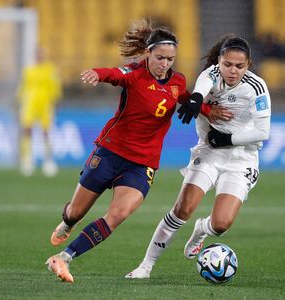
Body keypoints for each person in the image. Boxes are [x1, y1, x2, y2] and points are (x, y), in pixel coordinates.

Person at [44, 19, 226, 283]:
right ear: (148, 53)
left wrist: (209, 110)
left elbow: (184, 98)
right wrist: (97, 73)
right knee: (76, 211)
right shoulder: (134, 74)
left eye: (170, 59)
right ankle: (68, 223)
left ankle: (63, 258)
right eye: (160, 57)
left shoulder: (177, 81)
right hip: (110, 152)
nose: (165, 63)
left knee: (118, 214)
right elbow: (113, 74)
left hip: (142, 164)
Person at [126, 35, 271, 279]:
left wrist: (226, 139)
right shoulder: (211, 75)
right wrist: (195, 100)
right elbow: (201, 89)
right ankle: (146, 266)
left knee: (221, 224)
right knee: (182, 209)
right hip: (209, 152)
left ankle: (202, 229)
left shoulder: (256, 87)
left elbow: (262, 132)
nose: (232, 71)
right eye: (227, 64)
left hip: (241, 158)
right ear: (219, 61)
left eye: (239, 66)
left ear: (248, 65)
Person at [17, 47, 61, 177]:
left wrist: (56, 100)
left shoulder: (50, 70)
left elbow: (55, 86)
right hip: (30, 104)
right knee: (27, 130)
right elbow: (23, 86)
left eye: (41, 54)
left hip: (45, 105)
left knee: (46, 132)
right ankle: (27, 159)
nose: (39, 57)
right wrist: (19, 100)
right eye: (37, 54)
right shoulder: (28, 70)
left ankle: (48, 160)